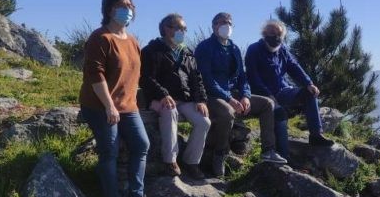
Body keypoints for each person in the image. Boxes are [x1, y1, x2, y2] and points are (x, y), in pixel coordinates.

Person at [79, 0, 160, 197]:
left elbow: (134, 75)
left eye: (130, 5)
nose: (128, 9)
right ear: (108, 10)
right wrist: (109, 106)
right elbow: (95, 74)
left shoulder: (133, 41)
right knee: (109, 151)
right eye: (121, 5)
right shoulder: (100, 38)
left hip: (128, 106)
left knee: (141, 144)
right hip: (99, 105)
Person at [194, 12, 287, 177]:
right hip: (211, 96)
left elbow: (242, 77)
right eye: (222, 22)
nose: (226, 26)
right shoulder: (204, 48)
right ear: (214, 25)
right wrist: (229, 99)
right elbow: (206, 79)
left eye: (229, 23)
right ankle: (220, 154)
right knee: (227, 113)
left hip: (233, 94)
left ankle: (268, 150)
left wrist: (245, 95)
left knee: (267, 104)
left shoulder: (234, 48)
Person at [245, 20, 334, 158]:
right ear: (264, 34)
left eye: (279, 34)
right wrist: (269, 95)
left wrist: (309, 83)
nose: (276, 37)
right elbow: (253, 77)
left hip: (283, 91)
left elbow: (294, 66)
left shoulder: (282, 49)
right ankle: (283, 156)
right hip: (262, 95)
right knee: (279, 114)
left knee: (309, 94)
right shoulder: (254, 49)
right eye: (272, 33)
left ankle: (316, 135)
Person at [140, 13, 210, 180]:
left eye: (184, 29)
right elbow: (146, 78)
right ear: (167, 28)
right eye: (180, 28)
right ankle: (170, 161)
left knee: (203, 121)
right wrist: (163, 94)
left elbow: (196, 78)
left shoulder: (187, 52)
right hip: (159, 99)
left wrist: (201, 100)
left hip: (185, 99)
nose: (183, 32)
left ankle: (191, 162)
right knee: (170, 112)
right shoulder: (151, 50)